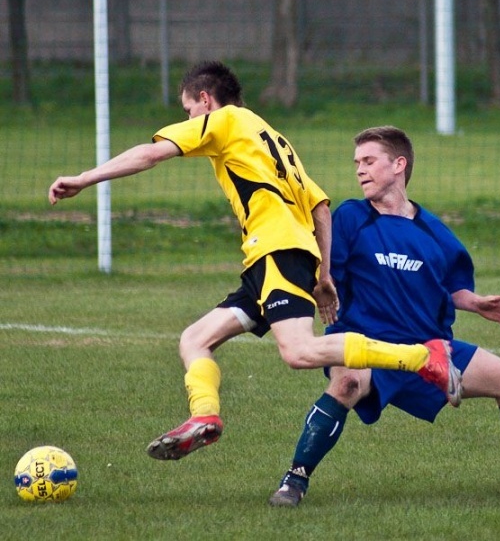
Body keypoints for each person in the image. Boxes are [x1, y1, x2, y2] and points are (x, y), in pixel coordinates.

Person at [47, 61, 461, 460]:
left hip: (275, 249)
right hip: (278, 256)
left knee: (298, 352)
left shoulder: (225, 121)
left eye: (189, 111)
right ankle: (204, 416)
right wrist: (323, 275)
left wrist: (84, 179)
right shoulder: (272, 136)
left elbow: (151, 154)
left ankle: (423, 357)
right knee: (195, 339)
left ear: (206, 100)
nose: (190, 120)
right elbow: (319, 207)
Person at [268, 126, 500, 507]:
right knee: (347, 384)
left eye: (369, 161)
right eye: (357, 163)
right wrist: (318, 284)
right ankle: (294, 482)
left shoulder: (434, 232)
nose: (360, 170)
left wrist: (474, 302)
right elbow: (322, 271)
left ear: (399, 165)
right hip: (365, 345)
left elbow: (452, 287)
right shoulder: (352, 218)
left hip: (429, 350)